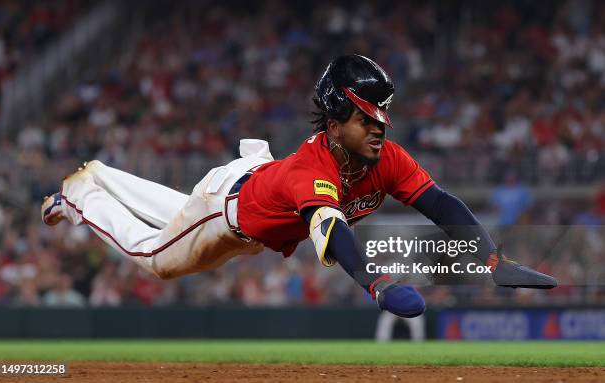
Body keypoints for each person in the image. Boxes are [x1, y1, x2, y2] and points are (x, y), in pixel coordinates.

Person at [42, 55, 557, 317]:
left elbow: (440, 203)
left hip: (256, 194)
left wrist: (493, 260)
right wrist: (375, 285)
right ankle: (79, 198)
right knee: (156, 257)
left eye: (382, 117)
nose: (379, 127)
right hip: (229, 212)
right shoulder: (313, 170)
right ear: (334, 123)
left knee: (173, 213)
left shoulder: (385, 157)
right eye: (365, 118)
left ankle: (101, 175)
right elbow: (332, 231)